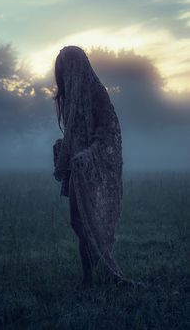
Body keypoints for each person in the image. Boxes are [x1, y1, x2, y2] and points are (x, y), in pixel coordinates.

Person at [52, 45, 145, 288]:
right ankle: (91, 276)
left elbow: (108, 132)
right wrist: (64, 146)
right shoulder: (71, 97)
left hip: (93, 169)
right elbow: (76, 133)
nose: (63, 74)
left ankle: (91, 278)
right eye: (60, 70)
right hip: (78, 169)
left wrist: (88, 154)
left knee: (87, 223)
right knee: (77, 222)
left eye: (66, 68)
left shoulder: (97, 93)